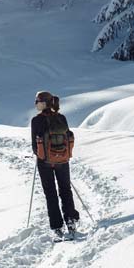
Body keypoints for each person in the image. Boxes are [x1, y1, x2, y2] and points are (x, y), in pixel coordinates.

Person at [31, 90, 79, 239]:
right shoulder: (62, 118)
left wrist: (40, 155)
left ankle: (57, 226)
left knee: (50, 193)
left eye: (37, 101)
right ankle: (71, 220)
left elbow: (34, 145)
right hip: (62, 160)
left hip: (44, 162)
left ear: (44, 103)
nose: (35, 104)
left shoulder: (36, 120)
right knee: (65, 189)